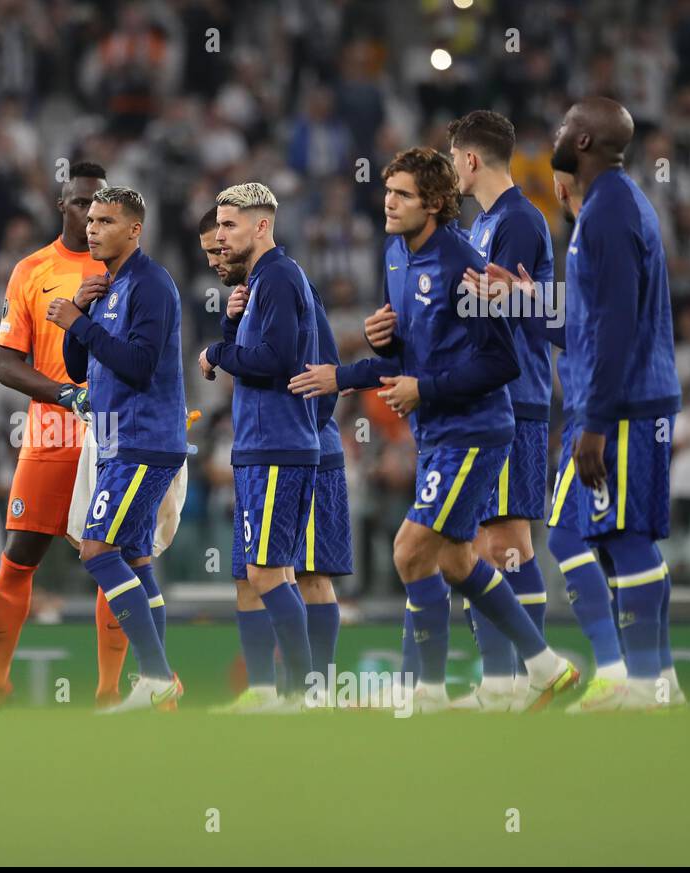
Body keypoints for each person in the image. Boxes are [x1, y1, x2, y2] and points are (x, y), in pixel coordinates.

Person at [289, 147, 579, 713]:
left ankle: (427, 691)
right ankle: (543, 668)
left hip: (476, 431)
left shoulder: (462, 266)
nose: (388, 202)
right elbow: (412, 353)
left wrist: (424, 389)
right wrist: (354, 367)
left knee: (409, 551)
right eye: (388, 191)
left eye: (402, 195)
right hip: (438, 432)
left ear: (437, 203)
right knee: (453, 560)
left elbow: (501, 363)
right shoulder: (396, 254)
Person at [0, 160, 123, 713]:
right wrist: (66, 395)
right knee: (19, 555)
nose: (90, 216)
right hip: (50, 428)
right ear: (62, 206)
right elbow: (5, 365)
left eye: (101, 208)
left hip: (113, 432)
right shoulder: (32, 270)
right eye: (80, 204)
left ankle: (109, 692)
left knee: (112, 559)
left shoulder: (130, 272)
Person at [546, 98, 683, 709]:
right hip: (619, 400)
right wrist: (526, 299)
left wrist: (596, 424)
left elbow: (617, 326)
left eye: (561, 126)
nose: (553, 132)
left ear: (580, 141)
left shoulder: (608, 214)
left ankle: (648, 683)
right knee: (577, 535)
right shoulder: (606, 207)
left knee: (625, 538)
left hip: (623, 406)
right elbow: (587, 319)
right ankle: (647, 680)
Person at [196, 202, 352, 712]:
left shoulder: (287, 283)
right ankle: (265, 690)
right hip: (269, 444)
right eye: (210, 252)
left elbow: (317, 365)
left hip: (302, 444)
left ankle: (313, 689)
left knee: (305, 573)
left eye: (221, 245)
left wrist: (312, 423)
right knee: (251, 573)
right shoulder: (254, 292)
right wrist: (227, 329)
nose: (217, 259)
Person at [46, 186, 187, 713]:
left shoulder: (151, 285)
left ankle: (156, 675)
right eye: (90, 220)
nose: (92, 229)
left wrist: (77, 321)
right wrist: (81, 315)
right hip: (114, 440)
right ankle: (158, 685)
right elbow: (81, 369)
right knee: (134, 557)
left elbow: (139, 365)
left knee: (96, 550)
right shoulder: (106, 285)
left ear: (134, 229)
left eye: (105, 221)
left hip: (144, 441)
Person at [447, 110, 559, 710]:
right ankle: (503, 682)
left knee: (509, 539)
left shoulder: (517, 220)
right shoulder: (485, 223)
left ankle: (521, 680)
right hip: (491, 399)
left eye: (452, 161)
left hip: (516, 397)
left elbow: (517, 308)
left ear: (469, 159)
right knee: (485, 543)